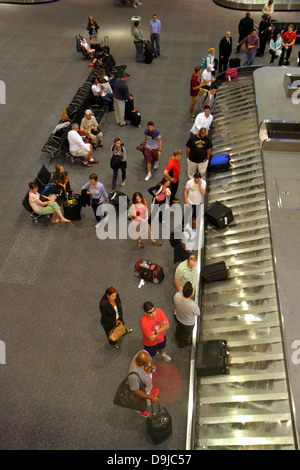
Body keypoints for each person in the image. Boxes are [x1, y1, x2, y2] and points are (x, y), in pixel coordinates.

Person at [127, 350, 159, 418]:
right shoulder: (133, 376)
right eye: (146, 364)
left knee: (148, 389)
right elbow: (135, 390)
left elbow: (150, 361)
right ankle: (139, 410)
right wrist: (151, 398)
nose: (148, 364)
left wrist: (151, 367)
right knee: (140, 400)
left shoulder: (143, 353)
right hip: (141, 388)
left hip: (146, 382)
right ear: (140, 363)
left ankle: (149, 393)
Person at [173, 281, 200, 347]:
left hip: (178, 317)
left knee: (179, 328)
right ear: (191, 294)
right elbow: (198, 314)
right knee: (185, 335)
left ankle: (177, 336)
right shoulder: (193, 305)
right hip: (187, 323)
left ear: (182, 290)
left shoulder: (177, 295)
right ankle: (182, 344)